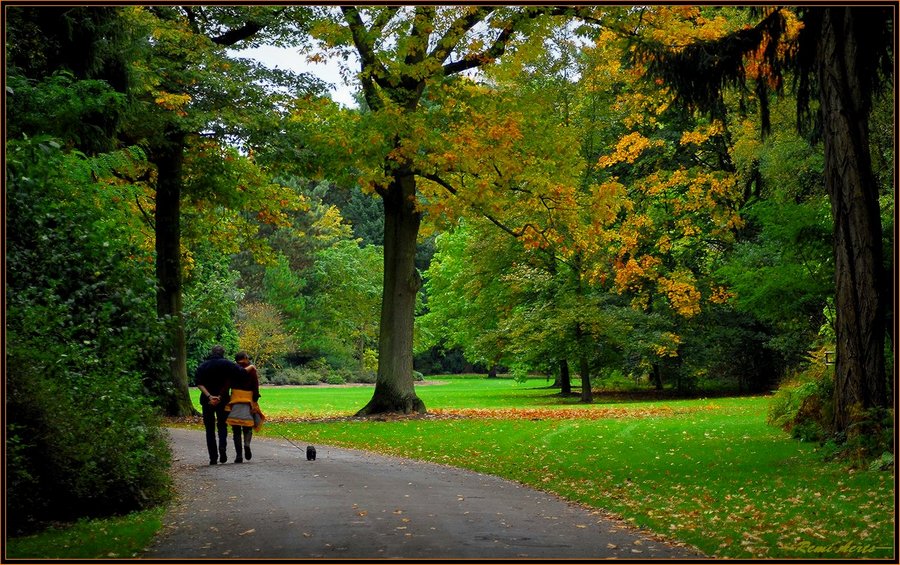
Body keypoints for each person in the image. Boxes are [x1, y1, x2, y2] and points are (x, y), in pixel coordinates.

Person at [195, 345, 245, 465]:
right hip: (223, 400)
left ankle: (213, 457)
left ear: (211, 352)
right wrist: (220, 396)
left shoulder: (203, 365)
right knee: (222, 425)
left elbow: (199, 383)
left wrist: (209, 396)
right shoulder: (228, 364)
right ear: (223, 353)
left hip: (207, 401)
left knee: (209, 429)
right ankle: (222, 448)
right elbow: (241, 374)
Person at [225, 352, 265, 463]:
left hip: (235, 400)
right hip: (248, 401)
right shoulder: (251, 370)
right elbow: (255, 387)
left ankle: (239, 455)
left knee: (236, 430)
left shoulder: (232, 369)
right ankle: (247, 444)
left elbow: (227, 384)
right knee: (247, 427)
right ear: (245, 358)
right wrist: (255, 401)